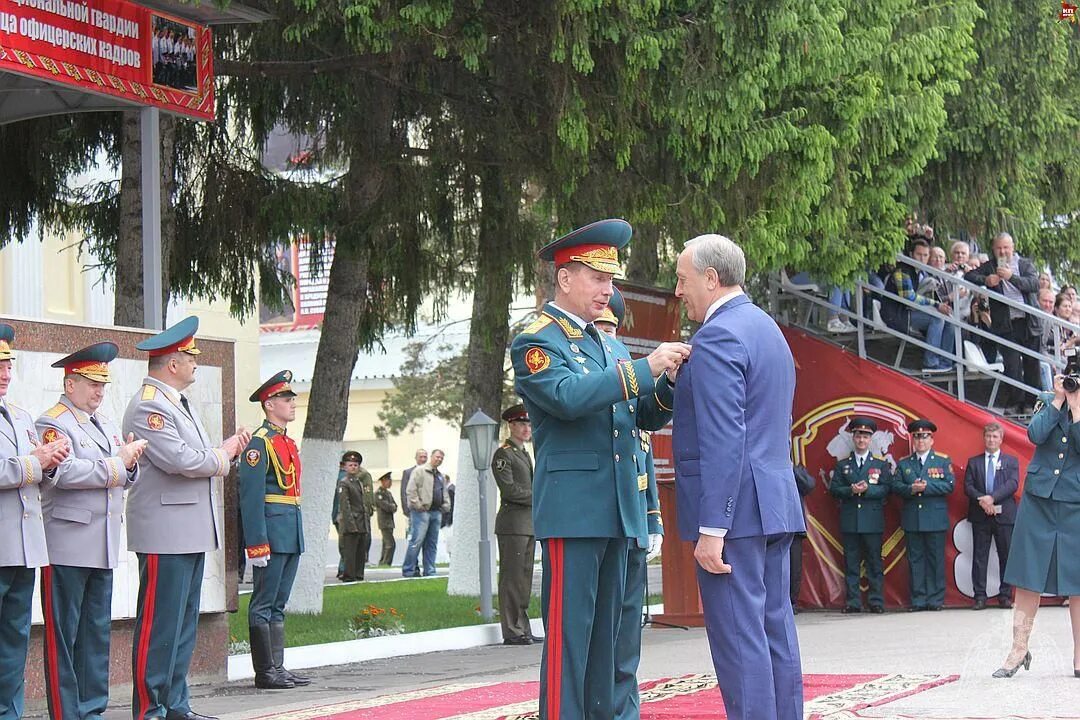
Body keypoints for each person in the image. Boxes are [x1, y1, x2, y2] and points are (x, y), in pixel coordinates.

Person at [510, 218, 687, 719]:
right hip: (576, 510)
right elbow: (568, 399)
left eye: (611, 280)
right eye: (597, 278)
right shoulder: (536, 339)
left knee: (614, 638)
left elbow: (638, 417)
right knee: (571, 640)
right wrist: (643, 369)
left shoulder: (606, 343)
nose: (607, 289)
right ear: (565, 278)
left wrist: (667, 384)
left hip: (619, 508)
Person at [671, 233, 804, 720]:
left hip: (734, 514)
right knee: (775, 631)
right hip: (772, 503)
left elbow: (725, 438)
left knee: (739, 640)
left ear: (711, 278)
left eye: (683, 280)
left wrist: (713, 528)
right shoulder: (766, 326)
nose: (678, 290)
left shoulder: (717, 335)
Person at [123, 317, 249, 720]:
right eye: (190, 357)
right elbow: (180, 460)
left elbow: (189, 458)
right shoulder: (150, 405)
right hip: (166, 532)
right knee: (160, 627)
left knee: (181, 628)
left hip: (187, 531)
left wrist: (215, 455)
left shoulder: (175, 403)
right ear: (172, 363)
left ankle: (175, 705)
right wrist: (224, 453)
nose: (196, 363)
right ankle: (149, 709)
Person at [36, 343, 145, 719]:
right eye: (91, 383)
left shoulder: (105, 423)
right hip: (66, 543)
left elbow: (118, 474)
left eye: (103, 384)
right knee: (63, 639)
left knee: (96, 634)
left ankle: (93, 710)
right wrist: (118, 465)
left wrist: (129, 466)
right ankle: (68, 713)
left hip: (100, 543)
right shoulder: (53, 423)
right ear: (70, 385)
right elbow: (62, 474)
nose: (100, 391)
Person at [596, 286, 665, 719]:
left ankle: (625, 710)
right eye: (598, 330)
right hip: (601, 519)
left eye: (610, 330)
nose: (605, 339)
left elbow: (644, 456)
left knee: (626, 638)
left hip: (634, 521)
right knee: (601, 634)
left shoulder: (631, 382)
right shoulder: (596, 384)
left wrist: (653, 519)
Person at [0, 324, 70, 719]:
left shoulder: (22, 415)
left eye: (9, 364)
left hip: (24, 547)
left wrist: (52, 462)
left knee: (15, 640)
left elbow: (36, 471)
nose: (6, 373)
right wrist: (34, 463)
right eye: (0, 365)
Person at [994, 377, 1080, 678]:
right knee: (1028, 574)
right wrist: (1058, 401)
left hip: (1075, 502)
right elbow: (1035, 434)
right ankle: (1018, 649)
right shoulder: (1047, 399)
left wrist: (1077, 408)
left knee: (1078, 580)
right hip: (1038, 499)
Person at [239, 371, 308, 690]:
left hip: (289, 532)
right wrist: (256, 543)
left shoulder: (286, 442)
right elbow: (250, 498)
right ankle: (265, 671)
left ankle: (278, 667)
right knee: (263, 603)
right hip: (270, 534)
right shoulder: (259, 444)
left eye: (291, 399)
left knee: (278, 603)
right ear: (269, 405)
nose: (292, 404)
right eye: (286, 399)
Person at [964, 232, 1041, 414]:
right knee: (1012, 364)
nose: (1003, 251)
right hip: (1006, 324)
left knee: (1032, 364)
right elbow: (969, 277)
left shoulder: (1024, 264)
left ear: (1012, 247)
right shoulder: (990, 265)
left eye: (1006, 247)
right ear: (993, 249)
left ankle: (1032, 404)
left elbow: (1034, 285)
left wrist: (1010, 277)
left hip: (1029, 322)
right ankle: (1016, 403)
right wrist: (986, 280)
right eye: (999, 248)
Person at [830, 417, 891, 613]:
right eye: (858, 436)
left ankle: (876, 601)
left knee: (874, 562)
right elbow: (834, 489)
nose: (861, 440)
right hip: (850, 521)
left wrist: (867, 491)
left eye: (865, 436)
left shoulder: (880, 465)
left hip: (872, 521)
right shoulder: (843, 465)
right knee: (851, 564)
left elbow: (886, 489)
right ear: (853, 438)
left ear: (870, 439)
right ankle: (853, 602)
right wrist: (850, 490)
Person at [893, 419, 954, 611]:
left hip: (935, 519)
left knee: (936, 560)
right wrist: (911, 489)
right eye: (917, 437)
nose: (920, 441)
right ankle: (918, 600)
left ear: (931, 440)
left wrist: (927, 487)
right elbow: (895, 486)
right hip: (913, 519)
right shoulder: (904, 464)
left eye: (924, 437)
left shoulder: (942, 461)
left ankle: (935, 600)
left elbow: (950, 485)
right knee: (915, 561)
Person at [492, 404, 538, 646]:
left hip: (528, 523)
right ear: (510, 426)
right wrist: (539, 496)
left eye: (529, 424)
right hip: (513, 524)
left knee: (524, 578)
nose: (526, 428)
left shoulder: (523, 453)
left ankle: (523, 627)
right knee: (512, 579)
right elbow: (509, 490)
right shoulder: (504, 454)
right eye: (521, 424)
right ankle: (512, 630)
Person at [964, 422, 1018, 610]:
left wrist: (992, 498)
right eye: (988, 436)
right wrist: (983, 500)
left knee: (1006, 557)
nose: (991, 440)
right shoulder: (974, 462)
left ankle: (1005, 597)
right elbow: (968, 486)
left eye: (995, 437)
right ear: (984, 438)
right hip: (980, 515)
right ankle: (979, 597)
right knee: (980, 557)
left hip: (1004, 516)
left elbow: (1012, 484)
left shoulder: (1011, 461)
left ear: (1001, 440)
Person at [881, 239, 955, 372]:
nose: (922, 259)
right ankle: (930, 363)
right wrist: (937, 305)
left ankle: (945, 362)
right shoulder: (902, 270)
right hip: (896, 315)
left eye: (925, 255)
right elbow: (908, 297)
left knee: (949, 318)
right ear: (911, 254)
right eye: (919, 255)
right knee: (936, 318)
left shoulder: (921, 272)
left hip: (908, 312)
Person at [402, 449, 450, 577]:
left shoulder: (440, 475)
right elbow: (411, 490)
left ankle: (430, 570)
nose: (439, 459)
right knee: (416, 541)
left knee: (432, 543)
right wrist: (417, 505)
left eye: (441, 458)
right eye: (437, 457)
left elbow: (444, 492)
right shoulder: (420, 471)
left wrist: (445, 506)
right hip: (421, 512)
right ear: (432, 457)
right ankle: (409, 570)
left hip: (436, 512)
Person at [335, 451, 371, 582]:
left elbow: (363, 504)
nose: (353, 467)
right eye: (350, 465)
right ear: (345, 467)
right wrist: (351, 525)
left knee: (360, 552)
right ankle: (349, 576)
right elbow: (345, 506)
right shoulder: (344, 483)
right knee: (350, 553)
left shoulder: (358, 482)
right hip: (351, 523)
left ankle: (359, 575)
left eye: (356, 465)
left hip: (361, 522)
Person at [791, 465, 816, 613]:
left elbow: (809, 486)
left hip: (794, 526)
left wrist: (792, 470)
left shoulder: (796, 469)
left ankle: (791, 602)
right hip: (773, 526)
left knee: (794, 567)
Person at [400, 448, 428, 544]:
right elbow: (404, 492)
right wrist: (406, 510)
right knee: (414, 537)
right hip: (414, 510)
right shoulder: (408, 472)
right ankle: (413, 558)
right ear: (416, 458)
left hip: (428, 511)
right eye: (421, 457)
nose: (423, 459)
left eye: (425, 457)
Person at [374, 472, 397, 566]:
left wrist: (391, 507)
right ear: (383, 481)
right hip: (384, 522)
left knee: (386, 544)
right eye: (389, 480)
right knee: (390, 544)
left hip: (390, 522)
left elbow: (395, 506)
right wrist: (391, 507)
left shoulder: (388, 493)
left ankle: (382, 562)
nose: (390, 483)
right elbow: (386, 507)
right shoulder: (378, 494)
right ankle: (386, 562)